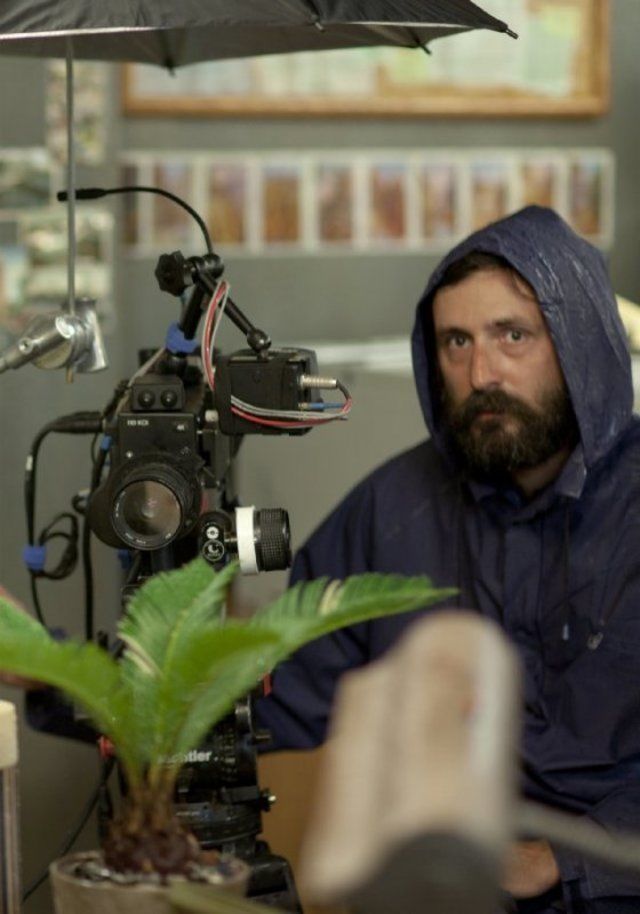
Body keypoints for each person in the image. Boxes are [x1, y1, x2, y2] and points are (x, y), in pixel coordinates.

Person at [256, 205, 640, 914]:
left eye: (513, 335)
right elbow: (276, 685)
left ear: (579, 341)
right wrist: (67, 678)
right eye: (455, 342)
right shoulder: (395, 507)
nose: (481, 373)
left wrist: (562, 857)